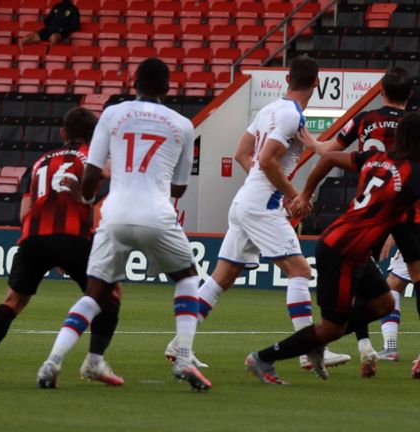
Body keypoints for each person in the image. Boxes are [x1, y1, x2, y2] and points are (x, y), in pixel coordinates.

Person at [164, 56, 351, 372]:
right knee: (300, 271)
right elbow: (266, 161)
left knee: (223, 277)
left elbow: (242, 154)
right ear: (317, 84)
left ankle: (178, 344)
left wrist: (259, 181)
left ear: (287, 79)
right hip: (262, 206)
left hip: (246, 202)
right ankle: (309, 349)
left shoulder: (269, 110)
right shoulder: (291, 116)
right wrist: (293, 195)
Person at [35, 58, 210, 391]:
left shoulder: (112, 115)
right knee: (187, 278)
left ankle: (52, 361)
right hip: (157, 215)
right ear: (167, 87)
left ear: (134, 82)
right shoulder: (183, 125)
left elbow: (90, 174)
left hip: (114, 214)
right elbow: (180, 188)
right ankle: (184, 356)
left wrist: (86, 201)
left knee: (94, 294)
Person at [246, 112, 420, 385]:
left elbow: (328, 157)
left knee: (384, 302)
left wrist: (305, 193)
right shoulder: (414, 175)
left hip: (351, 248)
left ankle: (317, 341)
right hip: (342, 252)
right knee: (331, 327)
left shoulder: (373, 159)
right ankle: (264, 357)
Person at [0, 107, 124, 386]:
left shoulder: (40, 162)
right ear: (94, 135)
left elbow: (24, 212)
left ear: (63, 133)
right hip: (74, 237)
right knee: (111, 294)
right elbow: (112, 179)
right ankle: (95, 362)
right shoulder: (95, 158)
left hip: (33, 237)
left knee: (12, 302)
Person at [298, 66, 414, 369]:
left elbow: (329, 151)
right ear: (410, 94)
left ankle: (361, 345)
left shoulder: (364, 120)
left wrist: (312, 144)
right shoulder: (412, 126)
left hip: (369, 209)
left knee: (358, 274)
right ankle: (370, 346)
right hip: (407, 208)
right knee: (408, 277)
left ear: (381, 91)